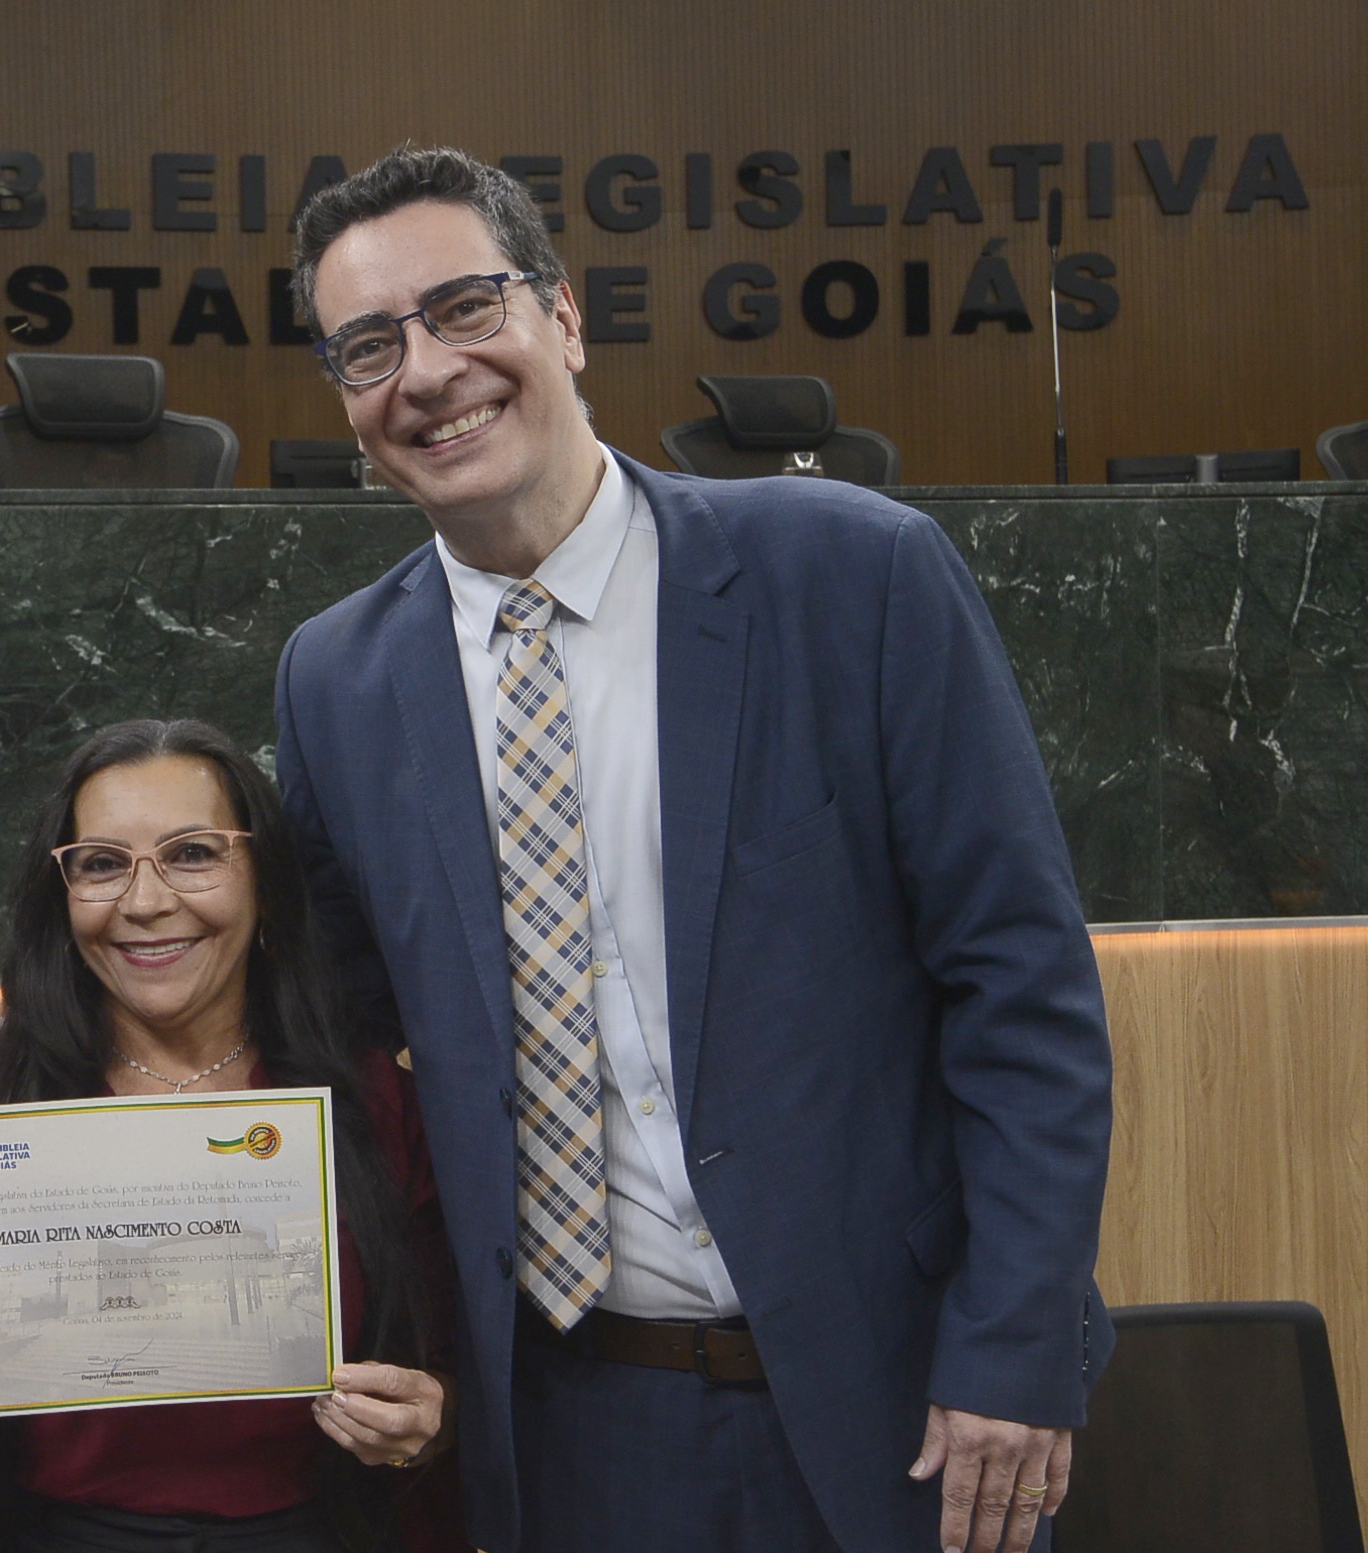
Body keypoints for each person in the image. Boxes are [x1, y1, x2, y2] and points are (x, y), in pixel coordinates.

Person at [268, 146, 1117, 1553]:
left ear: (562, 317)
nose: (425, 372)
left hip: (903, 1400)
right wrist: (32, 1059)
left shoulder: (855, 575)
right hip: (570, 1431)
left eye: (465, 307)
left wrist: (1015, 1345)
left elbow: (1022, 992)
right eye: (368, 346)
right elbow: (327, 1030)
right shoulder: (334, 682)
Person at [0, 720, 466, 1553]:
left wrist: (431, 1417)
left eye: (192, 853)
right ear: (60, 894)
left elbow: (457, 1362)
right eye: (100, 863)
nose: (145, 900)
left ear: (266, 880)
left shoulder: (373, 1100)